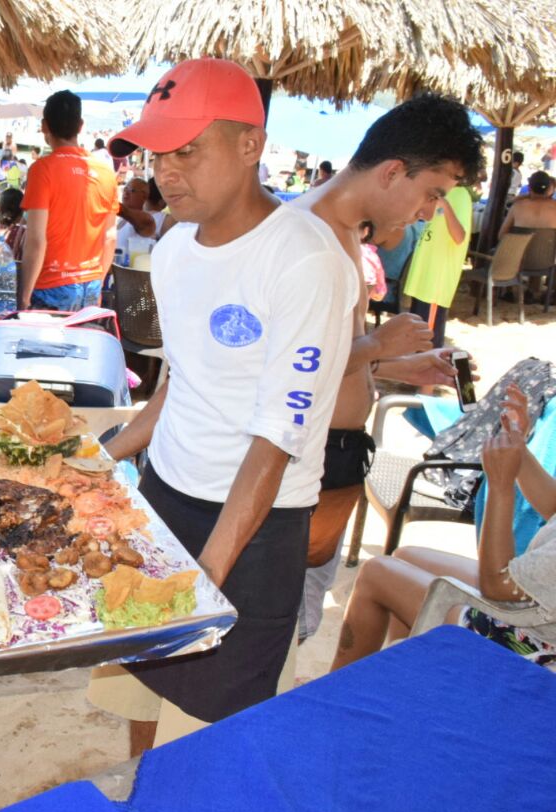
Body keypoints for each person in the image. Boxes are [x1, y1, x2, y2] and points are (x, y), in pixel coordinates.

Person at [91, 59, 357, 752]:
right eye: (157, 152)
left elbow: (275, 442)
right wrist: (95, 456)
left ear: (251, 146)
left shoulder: (303, 258)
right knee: (142, 694)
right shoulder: (174, 249)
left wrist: (205, 578)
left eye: (187, 149)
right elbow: (178, 387)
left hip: (253, 530)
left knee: (216, 741)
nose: (166, 171)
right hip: (162, 500)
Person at [288, 93, 485, 643]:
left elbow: (328, 355)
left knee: (294, 621)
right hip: (303, 457)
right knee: (278, 625)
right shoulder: (306, 238)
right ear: (394, 171)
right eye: (433, 194)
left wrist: (402, 366)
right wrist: (376, 346)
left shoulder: (343, 230)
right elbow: (281, 370)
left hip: (330, 457)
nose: (429, 212)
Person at [331, 386, 556, 671]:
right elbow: (553, 507)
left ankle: (331, 700)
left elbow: (498, 584)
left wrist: (500, 486)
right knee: (404, 557)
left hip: (535, 648)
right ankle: (407, 676)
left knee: (377, 574)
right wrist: (518, 450)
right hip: (538, 612)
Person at [17, 90, 117, 310]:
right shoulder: (106, 172)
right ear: (81, 126)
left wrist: (24, 296)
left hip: (51, 285)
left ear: (44, 126)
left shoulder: (42, 170)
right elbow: (109, 237)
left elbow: (36, 239)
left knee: (48, 345)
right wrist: (98, 283)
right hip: (91, 282)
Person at [403, 176, 471, 349]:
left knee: (428, 343)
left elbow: (459, 237)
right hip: (423, 275)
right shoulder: (438, 192)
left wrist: (445, 206)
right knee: (417, 337)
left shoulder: (460, 195)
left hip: (436, 281)